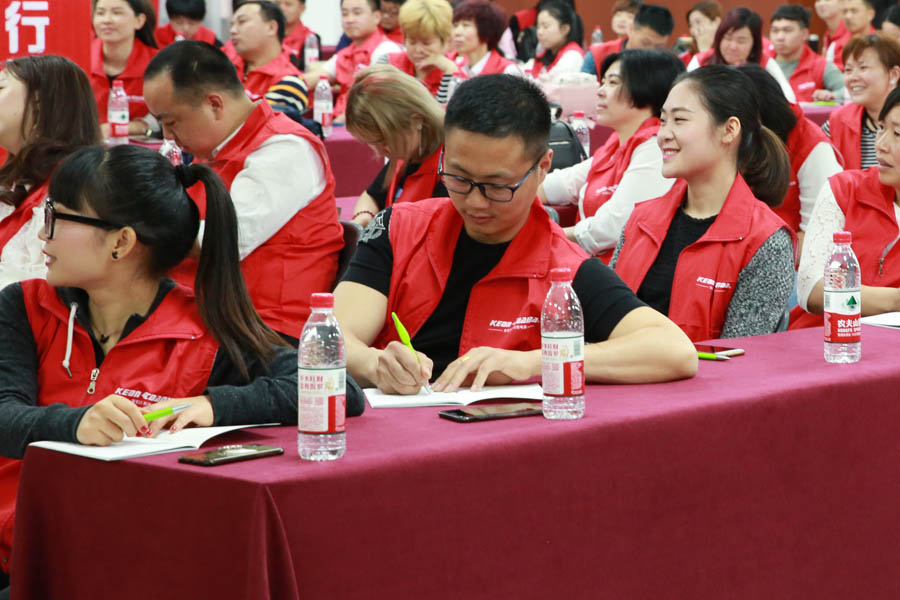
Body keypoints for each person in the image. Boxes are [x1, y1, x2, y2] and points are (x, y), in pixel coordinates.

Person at [0, 143, 312, 591]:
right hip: (17, 551)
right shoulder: (25, 306)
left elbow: (329, 387)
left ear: (121, 242)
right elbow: (4, 414)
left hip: (121, 563)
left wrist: (213, 405)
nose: (42, 236)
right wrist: (76, 424)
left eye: (57, 217)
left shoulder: (203, 331)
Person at [333, 74, 698, 395]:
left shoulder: (565, 269)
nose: (475, 201)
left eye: (497, 186)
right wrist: (375, 365)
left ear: (542, 168)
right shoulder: (398, 229)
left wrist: (534, 361)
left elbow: (673, 350)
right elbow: (333, 336)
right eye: (458, 178)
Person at [143, 41, 344, 341]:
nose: (168, 136)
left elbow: (219, 240)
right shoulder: (215, 149)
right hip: (209, 315)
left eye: (171, 122)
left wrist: (135, 232)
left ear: (214, 104)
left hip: (263, 334)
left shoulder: (284, 149)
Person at [611, 66, 796, 342]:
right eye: (663, 121)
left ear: (729, 130)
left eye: (679, 120)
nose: (663, 135)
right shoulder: (641, 220)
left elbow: (740, 355)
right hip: (617, 367)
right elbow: (604, 320)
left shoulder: (765, 241)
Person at [541, 49, 684, 262]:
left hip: (623, 272)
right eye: (603, 82)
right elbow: (563, 184)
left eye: (613, 83)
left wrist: (547, 237)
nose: (600, 91)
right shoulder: (615, 146)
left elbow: (612, 227)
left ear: (646, 88)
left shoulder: (655, 148)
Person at [794, 85, 900, 328]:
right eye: (881, 128)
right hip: (823, 338)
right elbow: (811, 290)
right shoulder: (844, 190)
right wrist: (895, 300)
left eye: (897, 133)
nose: (881, 144)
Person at [0, 57, 101, 290]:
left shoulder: (77, 194)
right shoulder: (17, 180)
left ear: (39, 105)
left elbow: (47, 289)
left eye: (0, 88)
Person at [736, 64, 843, 248]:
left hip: (788, 254)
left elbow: (819, 235)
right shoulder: (725, 140)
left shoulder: (811, 145)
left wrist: (764, 257)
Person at [345, 66, 448, 227]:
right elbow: (371, 195)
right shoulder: (409, 151)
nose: (380, 152)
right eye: (373, 144)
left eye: (384, 142)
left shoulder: (449, 168)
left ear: (415, 121)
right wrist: (364, 216)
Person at [306, 0, 402, 120]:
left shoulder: (386, 51)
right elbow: (311, 79)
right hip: (339, 124)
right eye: (345, 14)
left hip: (360, 125)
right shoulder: (346, 53)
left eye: (357, 13)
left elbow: (372, 102)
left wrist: (335, 125)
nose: (349, 20)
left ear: (377, 17)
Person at [687, 7, 797, 102]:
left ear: (754, 44)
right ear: (719, 37)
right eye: (728, 38)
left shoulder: (765, 63)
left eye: (741, 41)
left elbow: (789, 100)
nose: (733, 46)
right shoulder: (701, 61)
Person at [824, 33, 900, 170]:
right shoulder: (838, 121)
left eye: (863, 67)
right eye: (848, 70)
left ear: (893, 74)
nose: (853, 77)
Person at [90, 0, 159, 139]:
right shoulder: (79, 58)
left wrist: (135, 126)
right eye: (100, 13)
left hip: (141, 148)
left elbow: (170, 116)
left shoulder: (158, 64)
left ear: (139, 21)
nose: (106, 20)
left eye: (117, 13)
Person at [228, 0, 308, 115]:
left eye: (242, 22)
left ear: (271, 27)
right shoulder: (225, 70)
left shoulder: (290, 81)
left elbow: (255, 122)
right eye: (232, 24)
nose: (233, 30)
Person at [383, 0, 465, 102]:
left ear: (446, 41)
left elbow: (444, 111)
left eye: (426, 43)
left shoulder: (457, 78)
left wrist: (449, 72)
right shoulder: (388, 63)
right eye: (412, 42)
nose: (418, 50)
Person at [770, 4, 845, 102]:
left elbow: (846, 91)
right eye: (775, 30)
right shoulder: (763, 64)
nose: (780, 37)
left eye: (787, 30)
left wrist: (831, 95)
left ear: (805, 34)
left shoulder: (820, 66)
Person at [583, 4, 674, 78]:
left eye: (659, 47)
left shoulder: (667, 64)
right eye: (645, 43)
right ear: (630, 29)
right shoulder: (598, 55)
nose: (651, 51)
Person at [450, 0, 522, 77]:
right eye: (455, 25)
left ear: (487, 30)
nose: (457, 32)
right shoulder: (454, 68)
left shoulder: (507, 71)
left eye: (466, 25)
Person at [527, 1, 584, 78]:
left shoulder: (573, 55)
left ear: (565, 29)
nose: (539, 32)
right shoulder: (544, 54)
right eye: (538, 27)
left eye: (545, 26)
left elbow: (550, 83)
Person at [156, 0, 220, 47]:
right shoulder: (157, 38)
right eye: (179, 23)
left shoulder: (209, 39)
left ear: (200, 21)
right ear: (170, 19)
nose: (186, 28)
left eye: (191, 23)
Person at [834, 0, 877, 70]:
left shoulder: (882, 45)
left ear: (871, 14)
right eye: (844, 11)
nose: (848, 16)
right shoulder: (835, 46)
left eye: (854, 11)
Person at [278, 0, 320, 69]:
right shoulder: (267, 36)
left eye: (288, 4)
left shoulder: (311, 38)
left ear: (302, 8)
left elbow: (311, 69)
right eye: (278, 3)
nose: (281, 8)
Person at [817, 0, 850, 66]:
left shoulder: (852, 34)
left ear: (842, 3)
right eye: (818, 0)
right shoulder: (827, 34)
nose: (821, 4)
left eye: (827, 0)